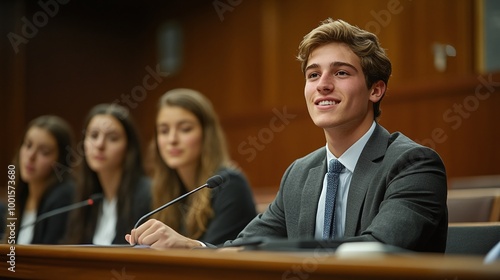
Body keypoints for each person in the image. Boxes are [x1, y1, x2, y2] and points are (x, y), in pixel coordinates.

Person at [126, 19, 448, 252]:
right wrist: (191, 246)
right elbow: (245, 248)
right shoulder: (299, 175)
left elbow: (376, 251)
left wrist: (284, 251)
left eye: (340, 72)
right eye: (313, 74)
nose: (322, 84)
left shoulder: (413, 165)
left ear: (376, 89)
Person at [128, 88, 256, 246]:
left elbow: (219, 257)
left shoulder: (229, 184)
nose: (172, 139)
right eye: (164, 131)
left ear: (206, 135)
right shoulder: (163, 190)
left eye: (185, 129)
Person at [64, 104, 151, 245]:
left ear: (128, 148)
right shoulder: (85, 198)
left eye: (112, 138)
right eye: (93, 135)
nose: (99, 145)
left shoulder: (146, 194)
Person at [6, 115, 75, 244]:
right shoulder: (21, 194)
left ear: (60, 160)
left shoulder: (63, 198)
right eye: (28, 145)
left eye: (44, 151)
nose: (30, 156)